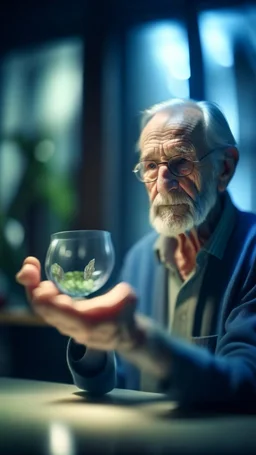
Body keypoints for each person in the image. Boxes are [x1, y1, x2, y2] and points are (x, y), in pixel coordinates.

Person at [16, 98, 256, 408]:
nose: (163, 184)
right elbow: (117, 384)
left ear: (224, 169)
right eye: (151, 166)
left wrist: (144, 342)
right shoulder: (140, 258)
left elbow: (245, 384)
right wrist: (92, 338)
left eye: (181, 162)